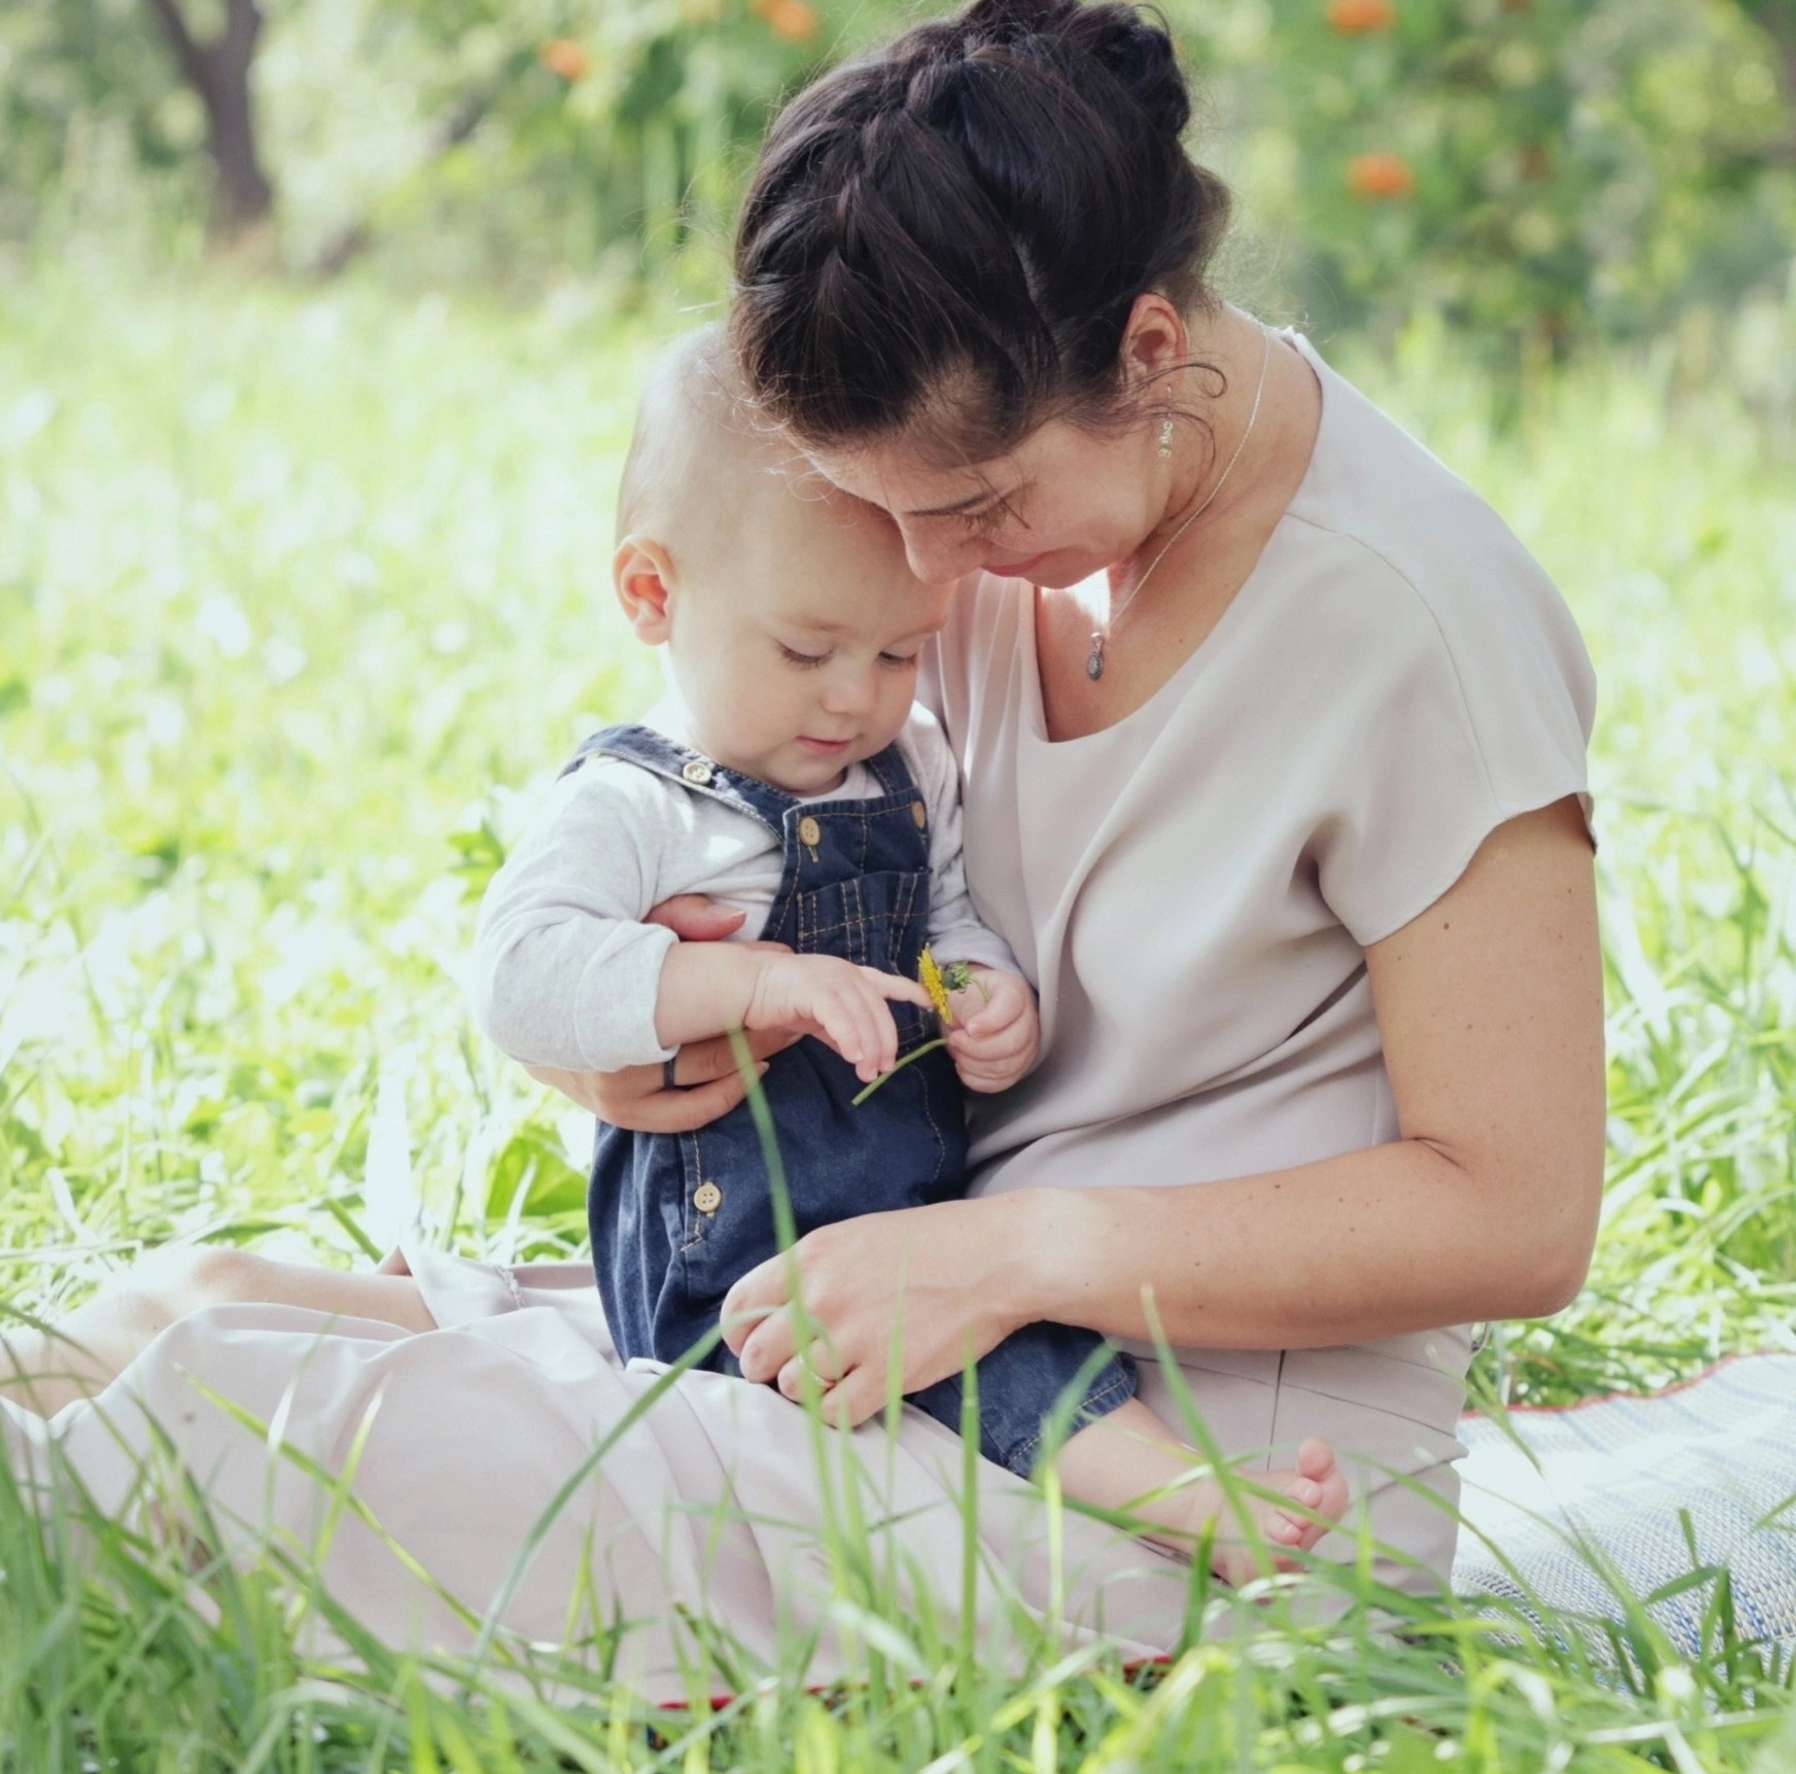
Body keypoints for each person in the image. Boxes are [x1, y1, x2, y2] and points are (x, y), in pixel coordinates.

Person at [0, 0, 1605, 1701]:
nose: (930, 582)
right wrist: (647, 1048)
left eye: (977, 510)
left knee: (236, 1432)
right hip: (888, 1302)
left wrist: (1010, 1260)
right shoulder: (984, 541)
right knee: (179, 1310)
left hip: (1201, 1479)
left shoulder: (1418, 628)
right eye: (892, 521)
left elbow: (1520, 1215)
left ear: (1150, 351)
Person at [470, 322, 1348, 1579]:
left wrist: (986, 992)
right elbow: (519, 974)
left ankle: (1171, 1491)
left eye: (897, 653)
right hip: (727, 1266)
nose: (853, 696)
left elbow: (940, 919)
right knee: (982, 1356)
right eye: (806, 649)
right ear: (654, 595)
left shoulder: (907, 768)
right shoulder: (635, 806)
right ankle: (1183, 1504)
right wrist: (749, 981)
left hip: (901, 1219)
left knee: (1004, 1331)